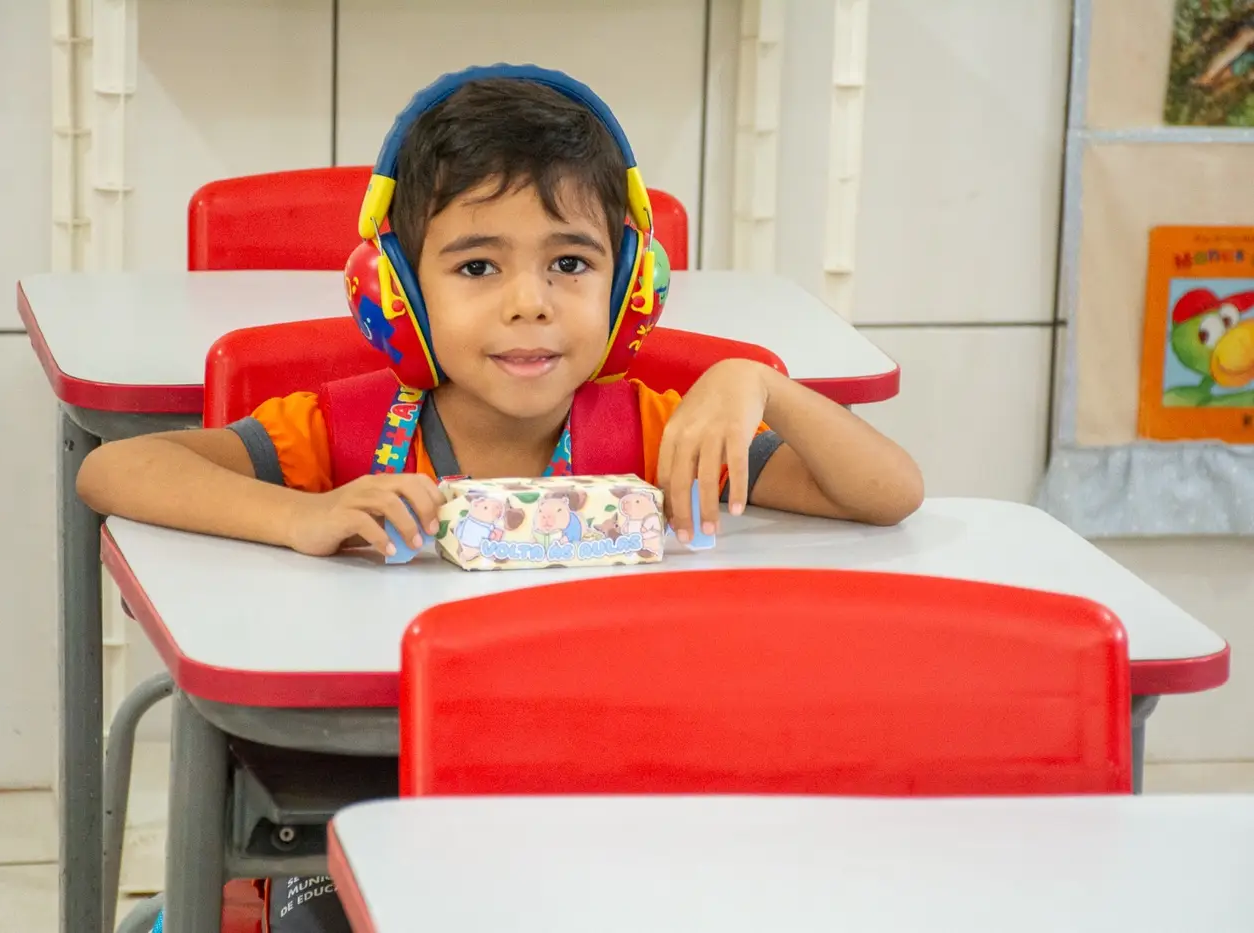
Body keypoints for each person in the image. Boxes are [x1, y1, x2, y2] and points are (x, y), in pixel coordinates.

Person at [83, 65, 924, 932]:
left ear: (629, 285)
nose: (530, 303)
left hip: (589, 797)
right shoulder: (341, 433)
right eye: (478, 265)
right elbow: (117, 469)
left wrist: (760, 384)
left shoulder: (656, 433)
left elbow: (889, 493)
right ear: (401, 291)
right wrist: (300, 515)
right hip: (365, 794)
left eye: (570, 263)